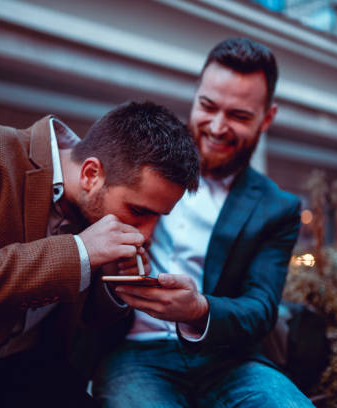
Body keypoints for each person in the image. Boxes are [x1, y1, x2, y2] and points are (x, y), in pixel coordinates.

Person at [0, 101, 200, 407]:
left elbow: (90, 331)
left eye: (158, 217)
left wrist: (116, 289)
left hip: (24, 376)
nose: (146, 233)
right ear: (91, 175)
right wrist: (78, 252)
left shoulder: (106, 216)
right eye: (138, 211)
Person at [92, 38, 314, 407]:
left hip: (229, 359)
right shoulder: (137, 160)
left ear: (267, 118)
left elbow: (260, 309)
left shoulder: (279, 208)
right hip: (134, 353)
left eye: (239, 116)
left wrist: (199, 310)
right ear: (195, 96)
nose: (217, 126)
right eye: (207, 106)